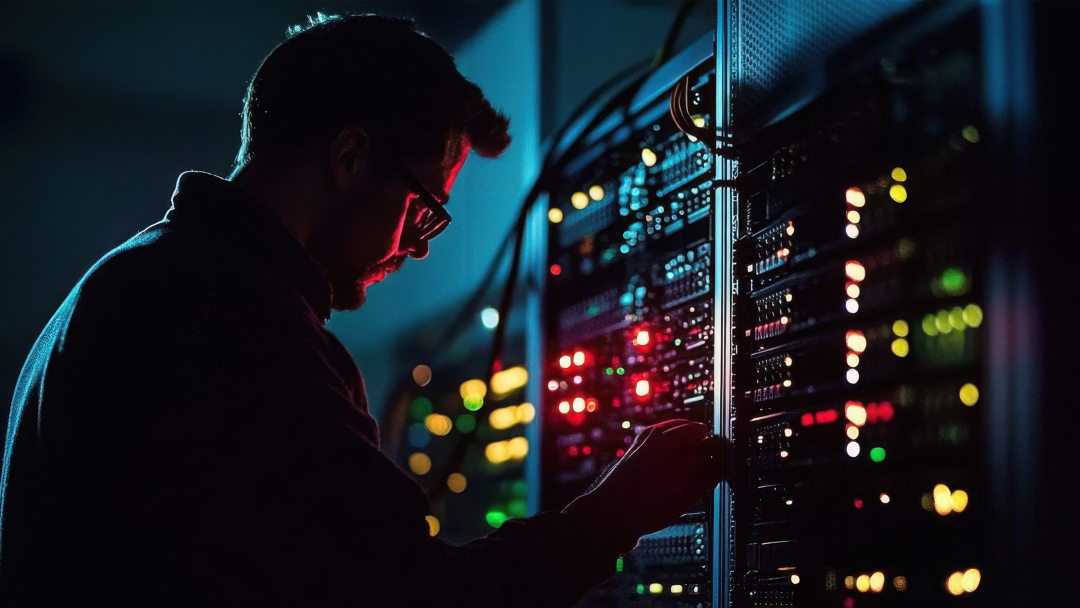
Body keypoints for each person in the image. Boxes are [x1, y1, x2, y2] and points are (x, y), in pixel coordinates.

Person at [0, 13, 722, 607]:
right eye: (423, 209)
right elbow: (418, 600)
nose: (418, 248)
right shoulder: (225, 311)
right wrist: (617, 512)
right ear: (349, 156)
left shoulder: (143, 279)